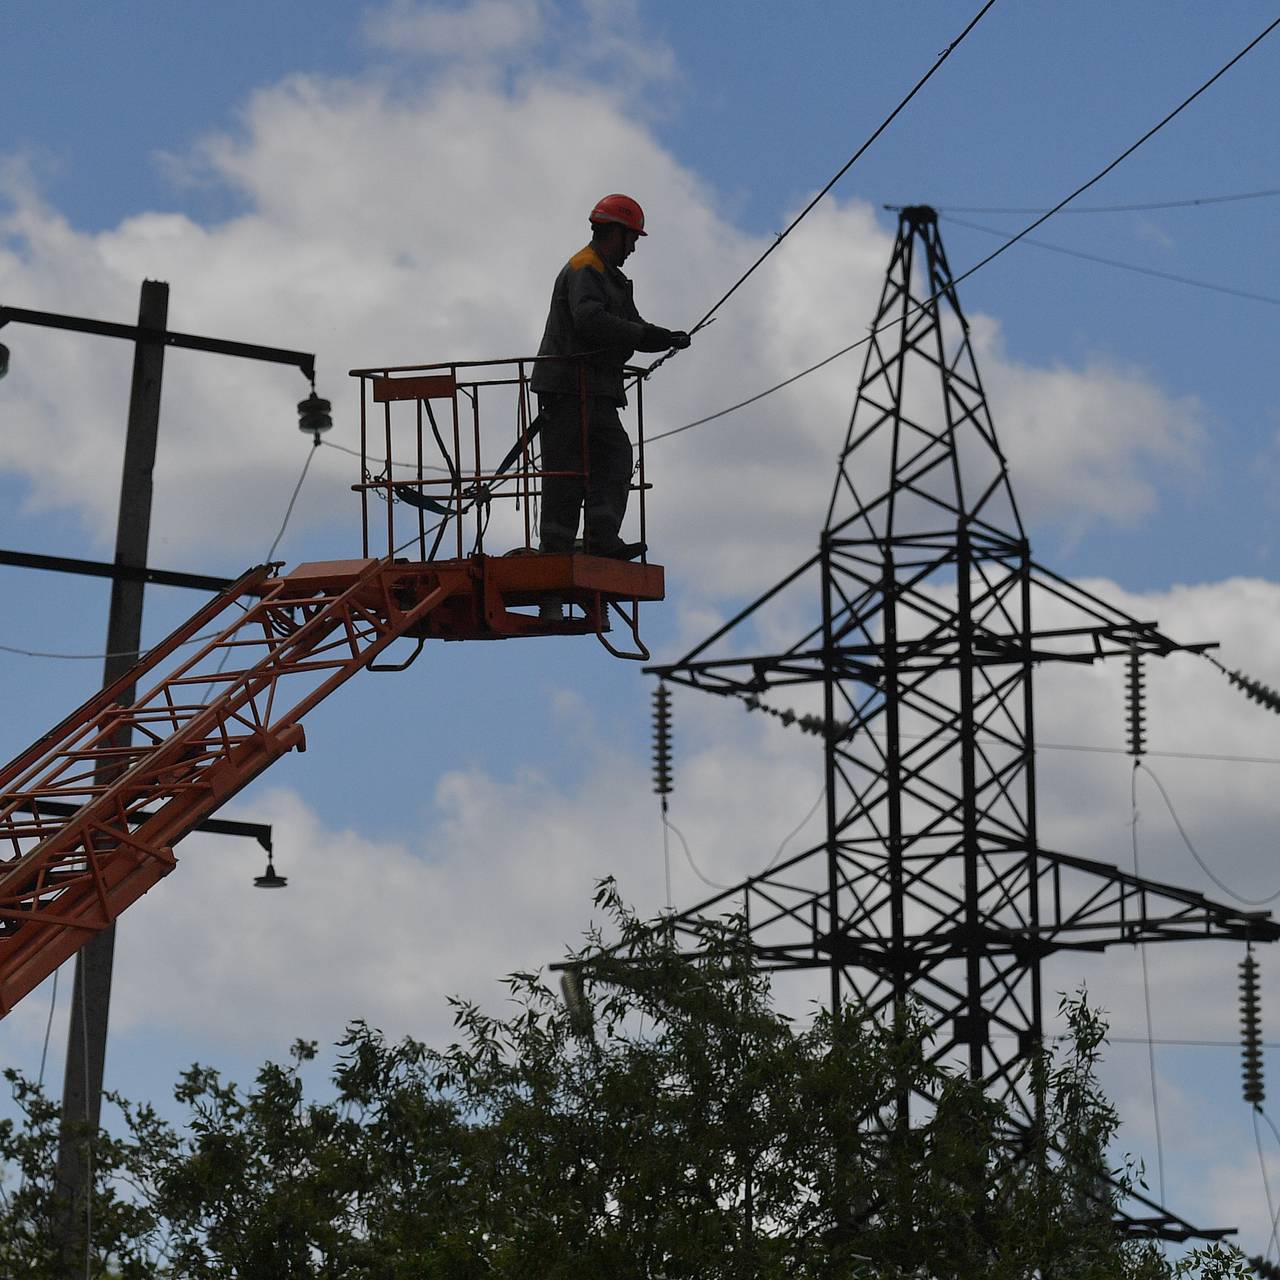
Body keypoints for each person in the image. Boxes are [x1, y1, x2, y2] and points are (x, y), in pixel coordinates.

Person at [531, 193, 690, 560]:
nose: (633, 247)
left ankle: (602, 540)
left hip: (595, 391)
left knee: (615, 458)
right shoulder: (585, 269)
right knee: (567, 472)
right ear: (614, 232)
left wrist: (664, 338)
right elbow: (592, 321)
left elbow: (631, 326)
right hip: (567, 390)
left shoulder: (610, 278)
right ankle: (555, 550)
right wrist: (643, 336)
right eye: (632, 238)